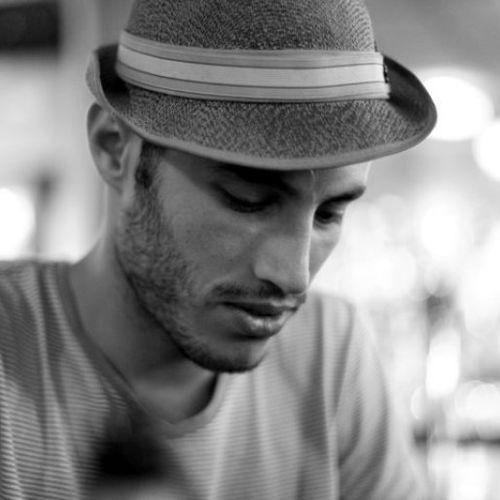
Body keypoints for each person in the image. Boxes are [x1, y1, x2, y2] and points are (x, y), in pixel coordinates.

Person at [0, 0, 437, 498]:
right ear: (114, 149)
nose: (293, 276)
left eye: (329, 214)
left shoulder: (329, 354)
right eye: (247, 200)